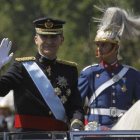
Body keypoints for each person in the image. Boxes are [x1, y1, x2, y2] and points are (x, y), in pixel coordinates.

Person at [0, 17, 84, 132]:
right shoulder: (21, 67)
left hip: (59, 136)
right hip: (28, 136)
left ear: (62, 40)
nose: (49, 41)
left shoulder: (69, 70)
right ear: (36, 39)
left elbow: (75, 106)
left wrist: (76, 126)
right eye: (44, 37)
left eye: (54, 37)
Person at [78, 7, 140, 130]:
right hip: (95, 131)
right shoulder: (89, 72)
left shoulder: (132, 74)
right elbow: (76, 105)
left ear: (116, 47)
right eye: (98, 44)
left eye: (104, 45)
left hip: (124, 131)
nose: (99, 48)